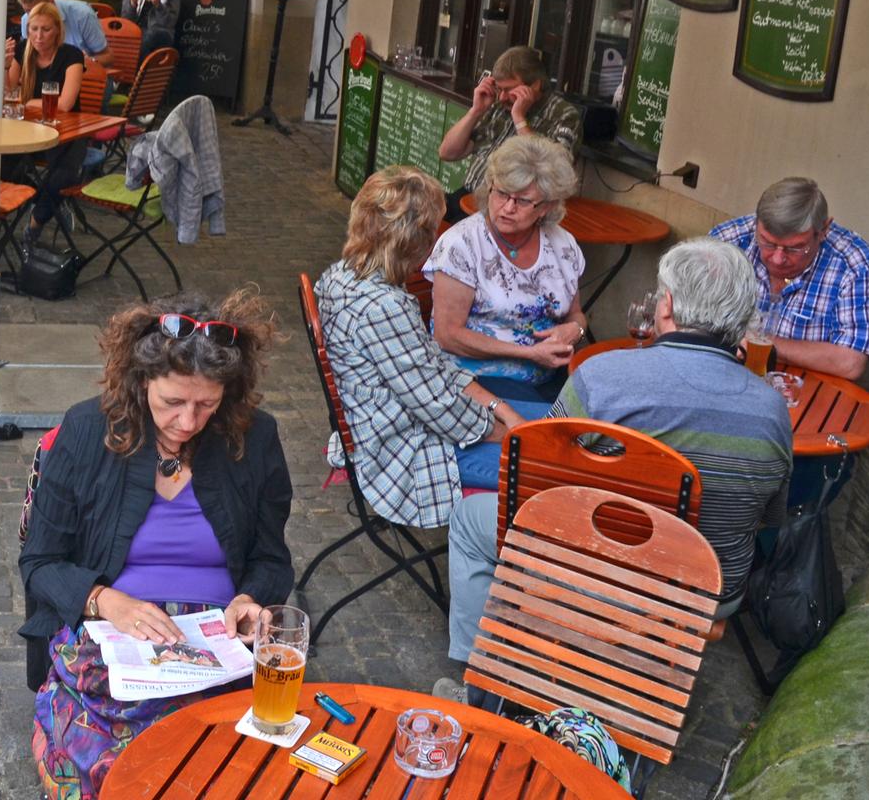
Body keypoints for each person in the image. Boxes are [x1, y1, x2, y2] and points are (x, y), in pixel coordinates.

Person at [443, 238, 792, 675]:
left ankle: (480, 677)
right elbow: (768, 518)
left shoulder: (603, 376)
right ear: (742, 322)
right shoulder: (772, 409)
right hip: (707, 590)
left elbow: (537, 480)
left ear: (666, 306)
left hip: (594, 571)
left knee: (468, 518)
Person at [19, 291, 291, 798]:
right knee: (128, 771)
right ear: (141, 380)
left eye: (206, 404)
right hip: (111, 636)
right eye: (172, 403)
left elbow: (271, 558)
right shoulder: (87, 430)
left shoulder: (254, 438)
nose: (188, 422)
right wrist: (104, 600)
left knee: (226, 768)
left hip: (215, 642)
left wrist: (250, 598)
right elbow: (39, 563)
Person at [315, 167, 527, 523]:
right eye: (434, 229)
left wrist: (501, 408)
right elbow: (438, 406)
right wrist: (507, 434)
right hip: (403, 453)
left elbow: (432, 367)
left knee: (546, 424)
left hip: (397, 425)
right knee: (546, 466)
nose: (438, 238)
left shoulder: (342, 275)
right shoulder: (383, 306)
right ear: (415, 241)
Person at [423, 136, 587, 407]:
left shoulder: (563, 245)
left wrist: (575, 330)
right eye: (501, 193)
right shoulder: (462, 244)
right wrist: (529, 353)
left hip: (551, 373)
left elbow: (576, 314)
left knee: (598, 417)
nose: (508, 208)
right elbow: (447, 334)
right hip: (477, 379)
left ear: (546, 206)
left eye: (522, 201)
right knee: (552, 427)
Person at [710, 177, 869, 381]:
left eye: (795, 248)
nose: (777, 259)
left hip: (799, 388)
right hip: (719, 373)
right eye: (767, 243)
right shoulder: (727, 242)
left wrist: (758, 344)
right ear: (756, 223)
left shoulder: (856, 265)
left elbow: (850, 363)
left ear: (824, 230)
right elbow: (681, 316)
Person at [437, 46, 581, 200]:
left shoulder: (564, 115)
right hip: (470, 195)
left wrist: (519, 119)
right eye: (499, 89)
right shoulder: (498, 106)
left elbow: (555, 174)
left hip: (512, 206)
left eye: (509, 89)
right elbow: (447, 153)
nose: (502, 97)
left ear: (535, 85)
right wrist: (476, 111)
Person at [5, 1, 86, 248]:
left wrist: (28, 101)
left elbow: (65, 104)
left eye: (46, 29)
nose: (39, 36)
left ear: (57, 30)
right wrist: (3, 64)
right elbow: (8, 92)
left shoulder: (71, 55)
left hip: (67, 131)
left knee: (64, 172)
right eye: (34, 29)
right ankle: (41, 199)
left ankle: (35, 222)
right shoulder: (23, 50)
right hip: (29, 130)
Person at [17, 0, 111, 71]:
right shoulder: (26, 19)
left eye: (39, 10)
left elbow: (108, 57)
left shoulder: (83, 15)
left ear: (52, 1)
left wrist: (87, 62)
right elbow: (30, 57)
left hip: (86, 75)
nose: (33, 16)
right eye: (27, 11)